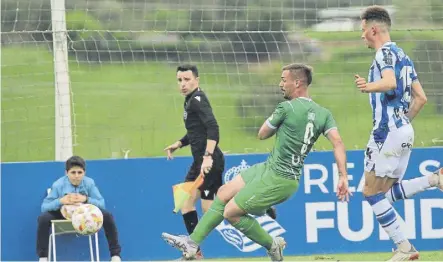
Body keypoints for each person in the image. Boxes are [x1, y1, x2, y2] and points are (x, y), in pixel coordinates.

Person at [162, 63, 351, 261]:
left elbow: (262, 134)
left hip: (280, 178)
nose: (280, 84)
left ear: (297, 83)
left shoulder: (285, 108)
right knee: (224, 192)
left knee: (231, 212)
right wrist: (342, 176)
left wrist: (279, 121)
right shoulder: (324, 114)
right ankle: (192, 245)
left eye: (283, 80)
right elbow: (338, 143)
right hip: (269, 167)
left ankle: (272, 245)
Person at [355, 5, 443, 261]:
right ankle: (433, 180)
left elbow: (390, 82)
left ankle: (404, 247)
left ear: (373, 29)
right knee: (383, 194)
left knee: (371, 194)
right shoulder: (404, 55)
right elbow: (421, 98)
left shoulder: (384, 54)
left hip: (386, 132)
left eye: (362, 30)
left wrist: (368, 86)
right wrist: (402, 123)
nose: (361, 36)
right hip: (404, 130)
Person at [163, 64, 226, 259]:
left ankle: (252, 203)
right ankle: (195, 252)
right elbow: (196, 131)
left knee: (211, 211)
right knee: (185, 202)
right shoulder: (190, 100)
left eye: (187, 79)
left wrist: (207, 157)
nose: (183, 84)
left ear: (196, 80)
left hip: (210, 161)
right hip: (199, 161)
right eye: (179, 80)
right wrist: (180, 143)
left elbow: (213, 128)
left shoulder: (198, 99)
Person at [37, 156, 122, 262]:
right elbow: (44, 207)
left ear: (84, 172)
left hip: (85, 214)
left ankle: (115, 255)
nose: (76, 176)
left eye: (79, 172)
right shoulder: (58, 184)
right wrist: (61, 201)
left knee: (107, 216)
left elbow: (101, 204)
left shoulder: (89, 183)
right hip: (63, 214)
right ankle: (43, 257)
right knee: (43, 218)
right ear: (66, 172)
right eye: (73, 172)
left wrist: (86, 199)